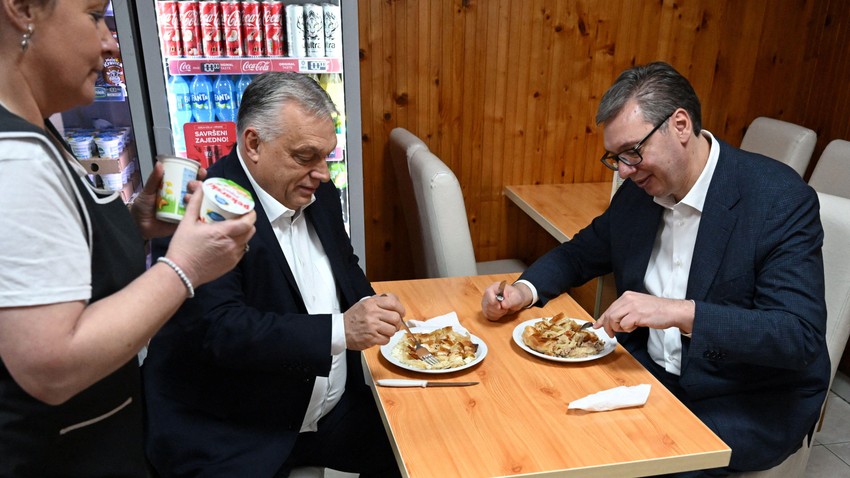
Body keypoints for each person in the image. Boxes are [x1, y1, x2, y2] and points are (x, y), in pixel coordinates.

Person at [482, 62, 829, 475]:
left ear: (680, 125)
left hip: (744, 399)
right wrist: (523, 291)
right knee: (544, 425)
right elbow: (581, 253)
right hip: (653, 374)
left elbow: (797, 335)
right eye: (616, 157)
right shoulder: (640, 193)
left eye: (633, 151)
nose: (624, 170)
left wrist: (678, 312)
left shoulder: (777, 199)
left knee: (621, 463)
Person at [0, 1, 256, 476]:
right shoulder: (13, 158)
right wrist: (185, 268)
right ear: (21, 9)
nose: (110, 42)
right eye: (94, 16)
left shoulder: (36, 129)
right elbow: (52, 366)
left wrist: (135, 225)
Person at [143, 72, 404, 478]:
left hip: (328, 411)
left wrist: (376, 307)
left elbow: (344, 264)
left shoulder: (317, 190)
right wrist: (341, 330)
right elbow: (220, 329)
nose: (322, 172)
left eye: (326, 156)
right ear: (253, 144)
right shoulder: (203, 208)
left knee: (420, 448)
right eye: (305, 156)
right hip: (233, 430)